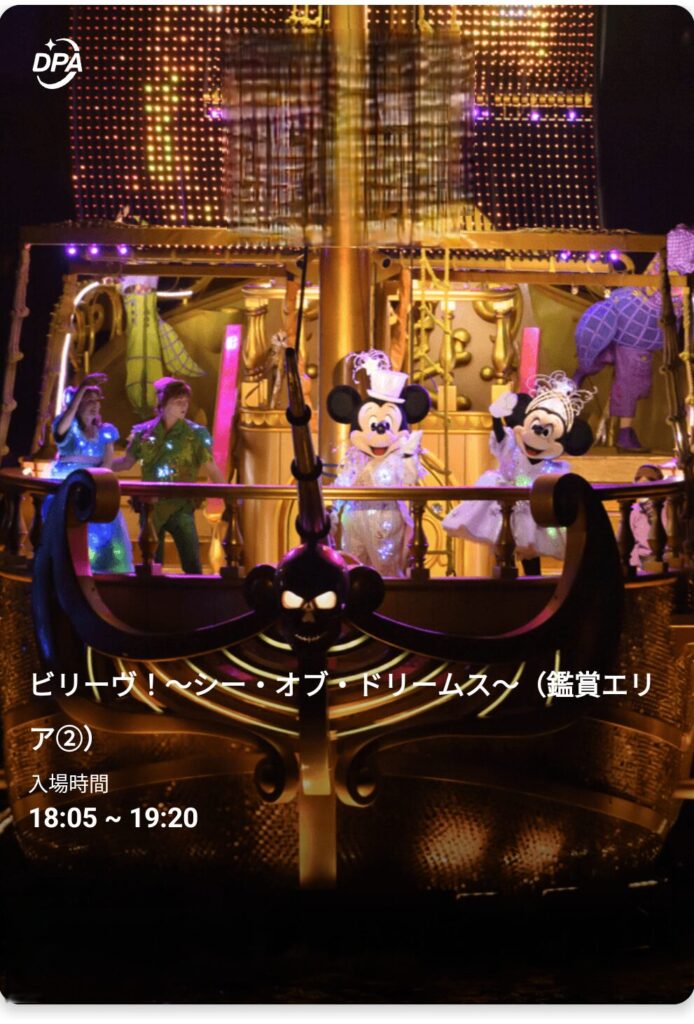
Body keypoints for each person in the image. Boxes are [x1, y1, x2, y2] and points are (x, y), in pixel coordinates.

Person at [112, 377, 224, 573]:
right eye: (177, 401)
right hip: (151, 507)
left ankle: (194, 591)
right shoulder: (144, 433)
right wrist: (99, 465)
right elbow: (126, 463)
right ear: (162, 404)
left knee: (192, 562)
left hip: (181, 506)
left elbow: (212, 467)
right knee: (153, 564)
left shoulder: (195, 434)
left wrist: (229, 494)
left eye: (185, 401)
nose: (183, 406)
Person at [48, 372, 134, 573]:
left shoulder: (106, 432)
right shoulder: (67, 427)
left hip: (93, 486)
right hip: (68, 488)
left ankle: (100, 571)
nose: (94, 405)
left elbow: (107, 465)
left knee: (101, 534)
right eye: (89, 400)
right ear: (77, 403)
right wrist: (82, 389)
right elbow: (63, 425)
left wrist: (98, 488)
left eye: (97, 401)